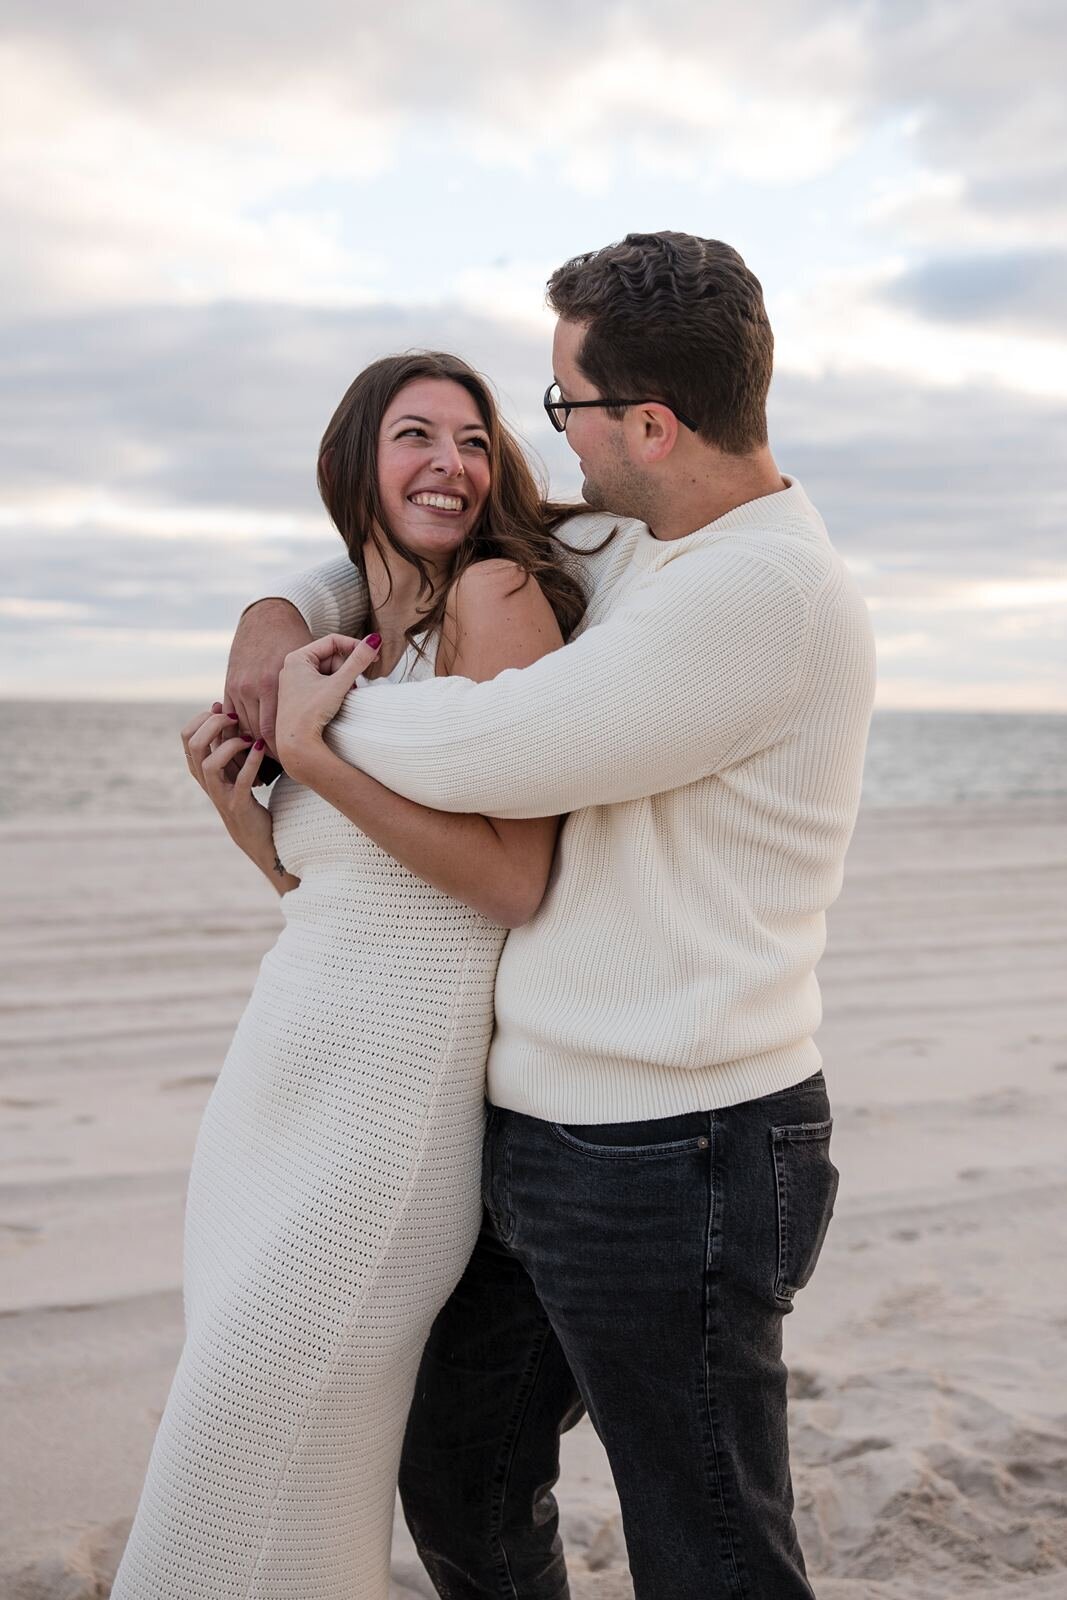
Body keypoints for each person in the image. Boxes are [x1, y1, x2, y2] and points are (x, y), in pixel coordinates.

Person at [228, 231, 878, 1598]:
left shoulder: (761, 592)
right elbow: (409, 544)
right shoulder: (644, 535)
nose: (549, 437)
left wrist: (318, 734)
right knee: (461, 1478)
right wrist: (276, 619)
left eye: (560, 405)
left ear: (647, 421)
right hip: (542, 1131)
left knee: (702, 1535)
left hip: (680, 1148)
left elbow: (487, 748)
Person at [111, 352, 592, 1600]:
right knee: (265, 1464)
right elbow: (347, 904)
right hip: (276, 1078)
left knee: (242, 1444)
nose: (451, 462)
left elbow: (504, 887)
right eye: (414, 435)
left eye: (475, 440)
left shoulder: (494, 597)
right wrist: (246, 819)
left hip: (388, 1117)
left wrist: (314, 762)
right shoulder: (355, 635)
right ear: (354, 465)